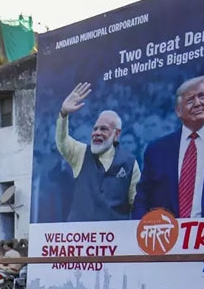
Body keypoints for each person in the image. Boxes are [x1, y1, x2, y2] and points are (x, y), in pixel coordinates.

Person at [132, 74, 204, 219]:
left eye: (202, 96)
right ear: (178, 111)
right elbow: (142, 199)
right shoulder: (157, 150)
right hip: (169, 237)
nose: (198, 103)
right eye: (190, 100)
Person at [57, 82, 141, 222]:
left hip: (112, 239)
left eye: (104, 129)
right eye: (95, 129)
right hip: (79, 237)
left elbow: (136, 202)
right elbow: (62, 142)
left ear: (117, 134)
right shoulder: (81, 153)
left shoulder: (130, 163)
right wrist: (63, 114)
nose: (97, 133)